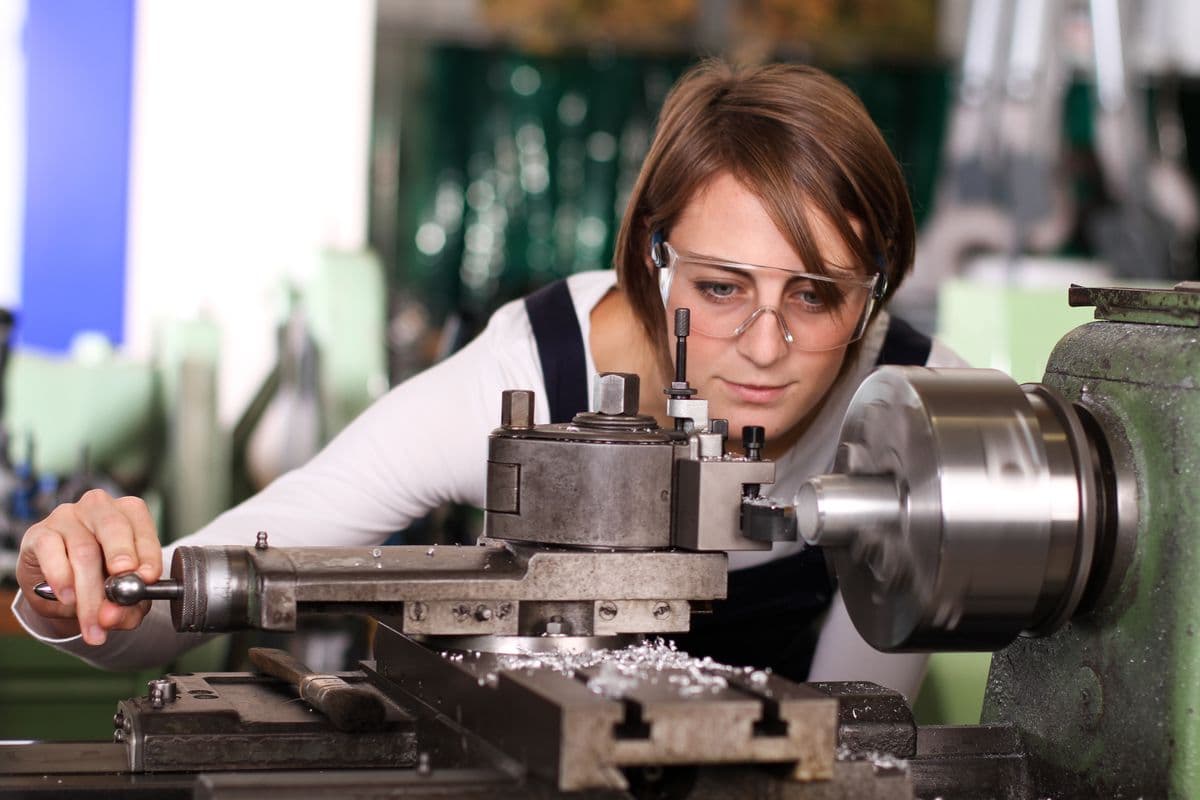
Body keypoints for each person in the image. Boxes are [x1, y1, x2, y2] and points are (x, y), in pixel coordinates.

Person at [13, 59, 965, 699]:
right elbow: (173, 613)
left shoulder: (927, 420)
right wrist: (81, 584)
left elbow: (858, 732)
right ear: (654, 254)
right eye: (720, 289)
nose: (765, 345)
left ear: (875, 290)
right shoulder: (524, 374)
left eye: (816, 296)